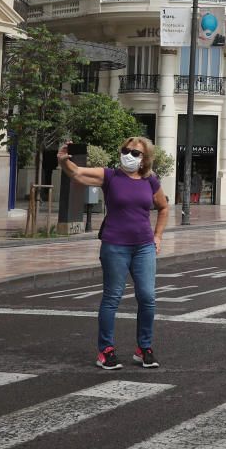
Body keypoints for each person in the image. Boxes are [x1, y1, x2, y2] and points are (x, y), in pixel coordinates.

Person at [58, 137, 169, 370]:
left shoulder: (150, 181)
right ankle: (105, 351)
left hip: (143, 247)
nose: (129, 155)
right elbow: (77, 173)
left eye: (136, 153)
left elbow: (163, 207)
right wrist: (63, 161)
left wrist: (157, 236)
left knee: (148, 298)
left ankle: (144, 349)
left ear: (144, 159)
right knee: (112, 298)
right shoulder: (110, 176)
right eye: (126, 150)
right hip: (115, 245)